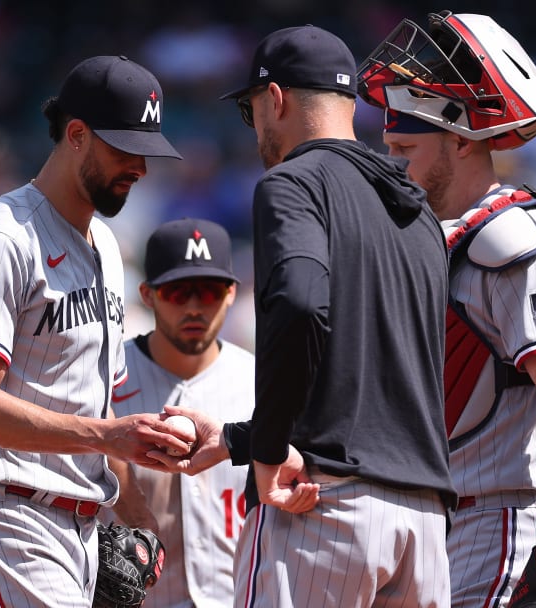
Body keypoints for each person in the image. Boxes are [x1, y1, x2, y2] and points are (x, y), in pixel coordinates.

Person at [154, 25, 456, 608]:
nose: (257, 127)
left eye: (251, 111)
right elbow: (368, 383)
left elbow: (299, 306)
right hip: (424, 521)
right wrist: (242, 439)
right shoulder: (416, 212)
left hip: (322, 505)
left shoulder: (293, 182)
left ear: (275, 99)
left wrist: (267, 451)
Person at [0, 55, 195, 607]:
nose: (140, 168)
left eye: (146, 151)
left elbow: (104, 414)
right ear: (76, 134)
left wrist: (140, 520)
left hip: (81, 526)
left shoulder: (107, 250)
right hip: (3, 513)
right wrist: (107, 436)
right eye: (125, 148)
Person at [356, 12, 536, 608]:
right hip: (419, 515)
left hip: (497, 513)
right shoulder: (423, 234)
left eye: (406, 146)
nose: (393, 159)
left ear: (462, 140)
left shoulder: (517, 242)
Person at [107, 217, 255, 608]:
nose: (193, 307)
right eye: (177, 292)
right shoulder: (106, 378)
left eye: (207, 291)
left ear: (229, 294)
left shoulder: (261, 383)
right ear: (148, 295)